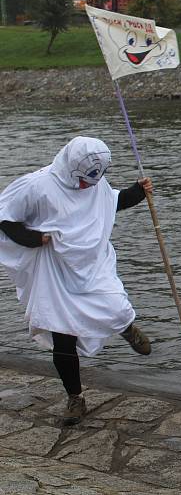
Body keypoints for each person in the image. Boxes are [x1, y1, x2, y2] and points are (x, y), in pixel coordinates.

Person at [0, 137, 153, 425]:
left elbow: (110, 203)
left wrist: (137, 193)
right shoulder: (36, 185)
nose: (87, 187)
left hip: (92, 264)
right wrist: (34, 238)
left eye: (92, 182)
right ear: (71, 168)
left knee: (116, 305)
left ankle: (126, 327)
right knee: (63, 335)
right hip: (55, 270)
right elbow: (6, 220)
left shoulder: (95, 182)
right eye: (82, 181)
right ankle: (75, 398)